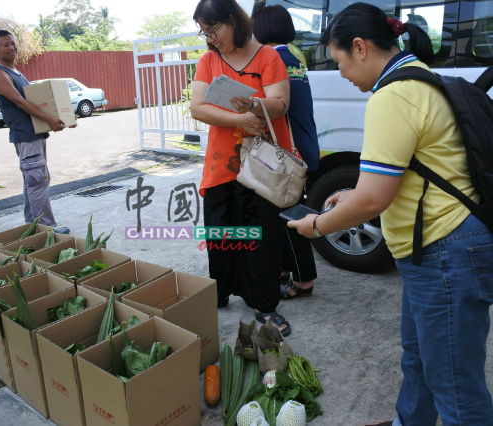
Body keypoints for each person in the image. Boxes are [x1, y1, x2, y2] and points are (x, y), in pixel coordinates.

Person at [287, 3, 493, 425]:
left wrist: (317, 226)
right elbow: (405, 173)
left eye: (341, 61)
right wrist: (349, 195)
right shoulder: (419, 77)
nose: (341, 73)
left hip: (444, 251)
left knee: (455, 385)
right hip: (436, 250)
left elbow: (373, 200)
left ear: (360, 48)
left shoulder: (392, 95)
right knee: (419, 358)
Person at [191, 0, 294, 335]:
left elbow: (280, 103)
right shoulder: (208, 60)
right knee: (221, 233)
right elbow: (198, 108)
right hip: (223, 164)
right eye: (204, 32)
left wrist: (253, 105)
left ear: (233, 20)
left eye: (214, 29)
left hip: (261, 163)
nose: (210, 38)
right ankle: (220, 291)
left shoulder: (267, 56)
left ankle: (264, 304)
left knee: (261, 235)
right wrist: (240, 119)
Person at [252, 4, 319, 300]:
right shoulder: (294, 57)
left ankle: (304, 281)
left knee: (288, 216)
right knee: (286, 211)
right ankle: (283, 269)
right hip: (304, 143)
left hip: (287, 152)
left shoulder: (271, 59)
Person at [0, 30, 69, 233]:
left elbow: (36, 101)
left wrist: (62, 118)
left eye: (13, 43)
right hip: (25, 135)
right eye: (5, 45)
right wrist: (50, 119)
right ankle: (46, 230)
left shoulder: (16, 72)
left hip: (34, 134)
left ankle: (33, 227)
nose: (11, 47)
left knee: (33, 181)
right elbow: (20, 102)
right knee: (37, 181)